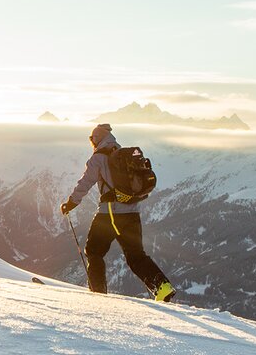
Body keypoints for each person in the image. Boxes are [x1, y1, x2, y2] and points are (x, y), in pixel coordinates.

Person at [60, 124, 176, 302]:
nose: (92, 142)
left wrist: (71, 203)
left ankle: (98, 294)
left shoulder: (98, 159)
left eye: (92, 139)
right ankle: (163, 287)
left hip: (110, 215)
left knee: (94, 251)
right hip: (132, 212)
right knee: (136, 255)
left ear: (96, 139)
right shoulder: (122, 154)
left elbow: (85, 183)